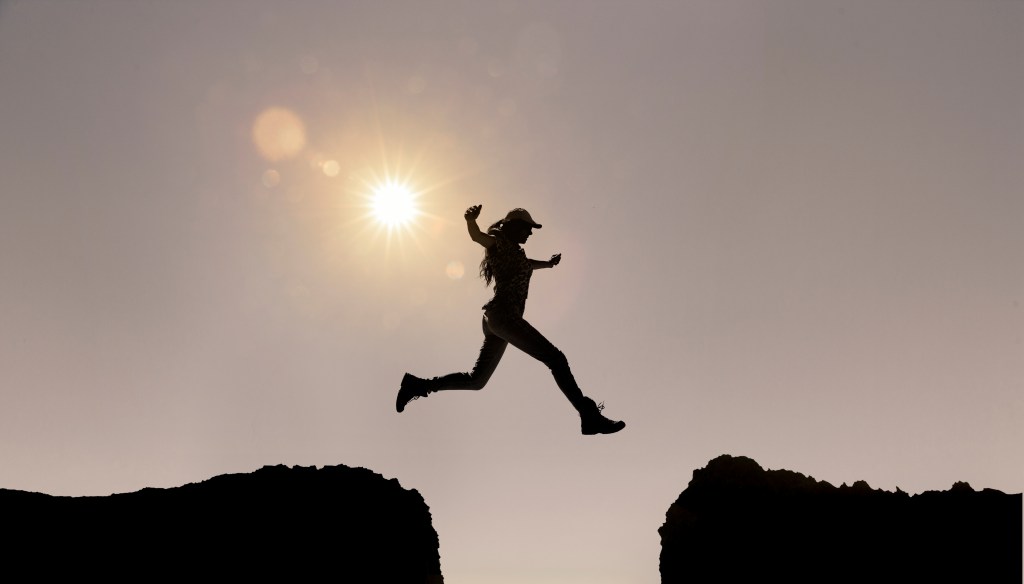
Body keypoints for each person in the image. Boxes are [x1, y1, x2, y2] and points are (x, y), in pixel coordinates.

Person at [396, 204, 625, 435]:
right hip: (503, 315)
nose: (531, 233)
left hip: (497, 321)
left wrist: (548, 263)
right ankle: (588, 415)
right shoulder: (500, 241)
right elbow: (478, 238)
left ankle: (418, 385)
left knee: (476, 381)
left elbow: (528, 265)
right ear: (513, 227)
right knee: (556, 359)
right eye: (528, 228)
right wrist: (470, 221)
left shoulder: (517, 254)